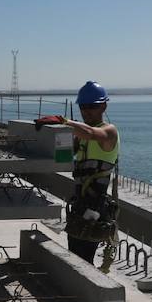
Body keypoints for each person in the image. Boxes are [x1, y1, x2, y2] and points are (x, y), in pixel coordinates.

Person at [37, 81, 119, 265]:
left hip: (95, 207)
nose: (87, 111)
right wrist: (48, 136)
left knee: (84, 257)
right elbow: (64, 154)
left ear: (104, 106)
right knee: (74, 253)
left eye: (92, 106)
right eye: (83, 106)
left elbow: (91, 132)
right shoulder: (82, 137)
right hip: (80, 204)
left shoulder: (109, 132)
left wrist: (64, 122)